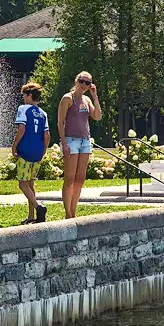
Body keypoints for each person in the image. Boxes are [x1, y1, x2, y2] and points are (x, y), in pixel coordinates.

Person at [58, 71, 101, 218]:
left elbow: (97, 116)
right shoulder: (67, 98)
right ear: (76, 81)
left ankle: (74, 212)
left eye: (87, 83)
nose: (84, 85)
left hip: (85, 141)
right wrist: (64, 143)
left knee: (80, 179)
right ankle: (68, 213)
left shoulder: (87, 100)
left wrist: (95, 96)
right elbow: (60, 123)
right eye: (82, 81)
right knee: (69, 178)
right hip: (71, 140)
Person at [12, 82, 50, 224]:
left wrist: (14, 145)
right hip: (37, 152)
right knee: (31, 184)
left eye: (24, 95)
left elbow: (21, 129)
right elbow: (47, 135)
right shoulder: (43, 113)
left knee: (22, 184)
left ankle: (39, 207)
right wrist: (43, 150)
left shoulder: (23, 109)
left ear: (29, 95)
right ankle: (31, 216)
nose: (23, 98)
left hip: (25, 151)